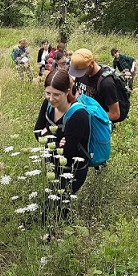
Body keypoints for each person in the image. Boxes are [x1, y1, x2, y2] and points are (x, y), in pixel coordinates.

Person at [34, 69, 90, 223]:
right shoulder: (48, 104)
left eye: (56, 95)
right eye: (47, 93)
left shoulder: (79, 115)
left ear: (67, 92)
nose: (51, 99)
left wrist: (47, 136)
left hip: (73, 170)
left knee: (49, 211)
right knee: (57, 207)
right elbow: (37, 130)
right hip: (53, 165)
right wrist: (58, 141)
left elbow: (66, 154)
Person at [69, 48, 121, 122]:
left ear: (92, 64)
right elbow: (78, 90)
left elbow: (115, 114)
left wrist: (90, 116)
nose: (79, 74)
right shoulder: (81, 74)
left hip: (97, 125)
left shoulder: (106, 84)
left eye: (82, 71)